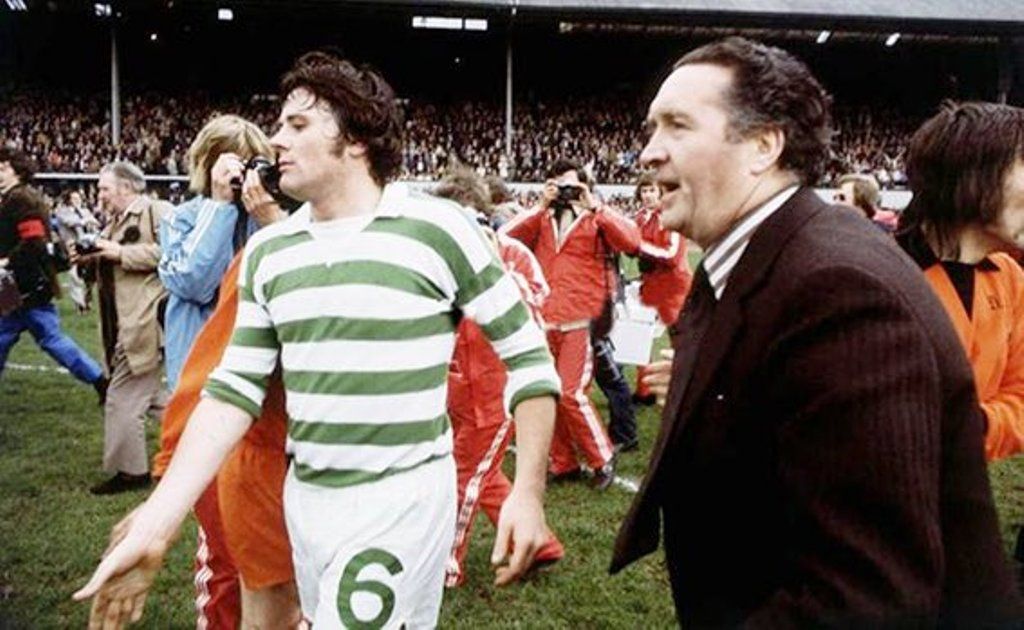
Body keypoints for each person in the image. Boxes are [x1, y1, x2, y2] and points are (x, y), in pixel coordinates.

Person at [74, 51, 560, 629]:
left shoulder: (439, 229)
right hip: (305, 500)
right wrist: (157, 523)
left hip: (398, 500)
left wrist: (528, 491)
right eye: (280, 124)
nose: (276, 139)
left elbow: (530, 361)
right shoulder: (270, 252)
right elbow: (231, 394)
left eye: (298, 124)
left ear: (354, 138)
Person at [611, 37, 1021, 626]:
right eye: (650, 129)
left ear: (763, 146)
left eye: (677, 125)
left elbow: (864, 596)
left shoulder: (839, 290)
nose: (648, 153)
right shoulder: (764, 258)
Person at [156, 114, 288, 628]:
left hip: (266, 396)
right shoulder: (184, 217)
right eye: (230, 164)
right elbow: (192, 280)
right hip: (205, 392)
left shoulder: (273, 216)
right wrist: (218, 205)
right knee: (221, 540)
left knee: (268, 537)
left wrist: (267, 213)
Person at [433, 167, 564, 587]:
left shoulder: (513, 254)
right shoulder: (437, 258)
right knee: (480, 472)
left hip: (498, 392)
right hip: (453, 387)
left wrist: (494, 267)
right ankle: (540, 544)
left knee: (463, 477)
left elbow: (541, 306)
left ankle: (445, 565)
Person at [896, 101, 1024, 463]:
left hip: (960, 488)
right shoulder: (879, 279)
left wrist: (971, 428)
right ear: (974, 173)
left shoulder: (1011, 278)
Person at [502, 159, 640, 489]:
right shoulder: (541, 217)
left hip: (579, 317)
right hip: (546, 318)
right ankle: (563, 463)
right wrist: (540, 205)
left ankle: (602, 457)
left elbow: (632, 243)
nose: (565, 192)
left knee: (571, 393)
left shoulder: (597, 218)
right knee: (547, 393)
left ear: (584, 185)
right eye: (558, 184)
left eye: (571, 185)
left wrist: (595, 205)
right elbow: (503, 238)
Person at [74, 161, 169, 495]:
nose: (99, 195)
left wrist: (120, 252)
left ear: (126, 187)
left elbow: (173, 253)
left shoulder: (157, 210)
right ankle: (208, 439)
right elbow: (110, 265)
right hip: (120, 322)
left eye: (104, 188)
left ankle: (132, 472)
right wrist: (88, 260)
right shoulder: (113, 222)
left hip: (144, 319)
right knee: (155, 399)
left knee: (120, 397)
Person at [0, 148, 106, 400]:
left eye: (3, 168)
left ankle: (99, 380)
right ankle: (98, 379)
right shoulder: (15, 198)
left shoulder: (21, 199)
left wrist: (6, 262)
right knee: (38, 337)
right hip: (22, 284)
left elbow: (34, 241)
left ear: (18, 171)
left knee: (46, 338)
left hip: (24, 285)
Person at [630, 172, 691, 407]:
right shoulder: (640, 217)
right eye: (644, 190)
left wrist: (640, 247)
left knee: (679, 340)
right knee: (639, 336)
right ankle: (644, 391)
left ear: (661, 192)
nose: (647, 195)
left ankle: (686, 390)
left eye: (652, 190)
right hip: (649, 284)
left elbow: (671, 255)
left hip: (673, 287)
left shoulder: (671, 217)